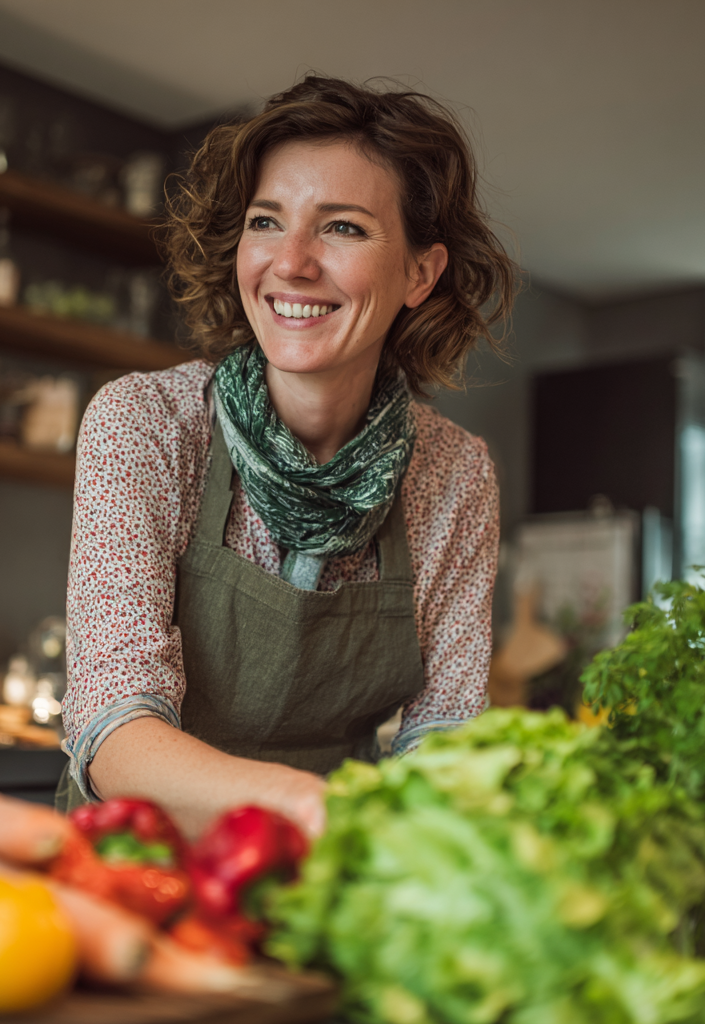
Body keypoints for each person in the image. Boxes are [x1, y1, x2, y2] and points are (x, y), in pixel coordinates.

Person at [58, 76, 517, 839]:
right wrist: (317, 808)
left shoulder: (455, 475)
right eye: (267, 221)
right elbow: (114, 724)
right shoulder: (147, 422)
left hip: (322, 885)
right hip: (135, 878)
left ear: (419, 273)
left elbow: (447, 733)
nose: (293, 262)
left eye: (342, 229)